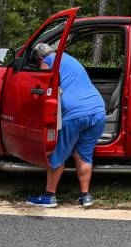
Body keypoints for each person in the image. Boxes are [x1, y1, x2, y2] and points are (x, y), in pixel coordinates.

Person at [25, 42, 106, 208]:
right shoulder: (68, 58)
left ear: (39, 57)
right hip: (98, 111)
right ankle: (85, 196)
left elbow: (44, 85)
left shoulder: (47, 61)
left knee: (58, 153)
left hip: (75, 113)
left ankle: (49, 197)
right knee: (84, 155)